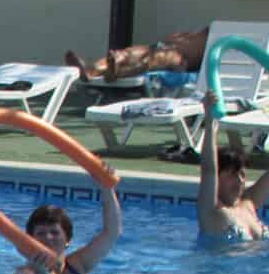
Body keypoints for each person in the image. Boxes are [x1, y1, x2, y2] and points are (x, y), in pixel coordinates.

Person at [197, 90, 269, 240]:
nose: (240, 180)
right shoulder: (212, 211)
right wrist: (210, 122)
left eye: (242, 174)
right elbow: (208, 170)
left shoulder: (249, 204)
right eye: (232, 174)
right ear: (217, 178)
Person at [15, 190, 122, 274]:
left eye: (55, 232)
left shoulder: (78, 264)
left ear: (68, 240)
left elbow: (111, 232)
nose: (48, 237)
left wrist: (107, 188)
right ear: (31, 240)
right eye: (41, 233)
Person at [65, 27, 208, 82]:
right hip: (160, 47)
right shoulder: (209, 31)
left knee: (155, 59)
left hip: (180, 59)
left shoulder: (218, 41)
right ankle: (91, 71)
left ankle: (118, 72)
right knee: (124, 53)